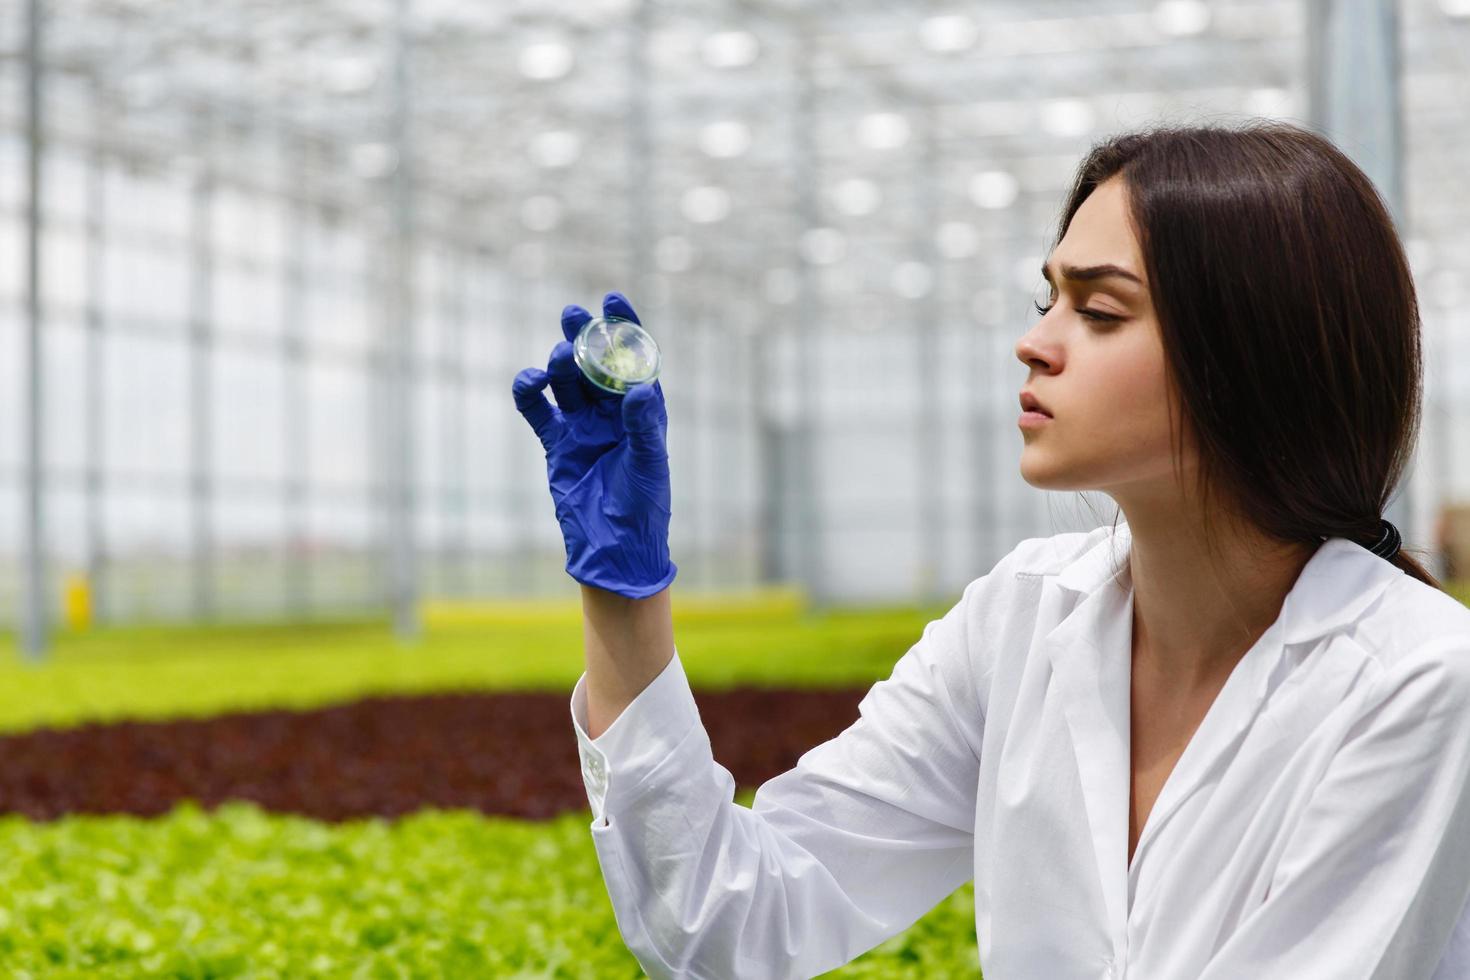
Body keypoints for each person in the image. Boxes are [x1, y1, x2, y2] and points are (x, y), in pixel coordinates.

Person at [511, 121, 1470, 979]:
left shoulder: (1415, 682)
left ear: (1251, 358)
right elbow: (736, 923)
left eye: (1099, 312)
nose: (1034, 343)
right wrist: (625, 595)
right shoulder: (1020, 620)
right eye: (1047, 298)